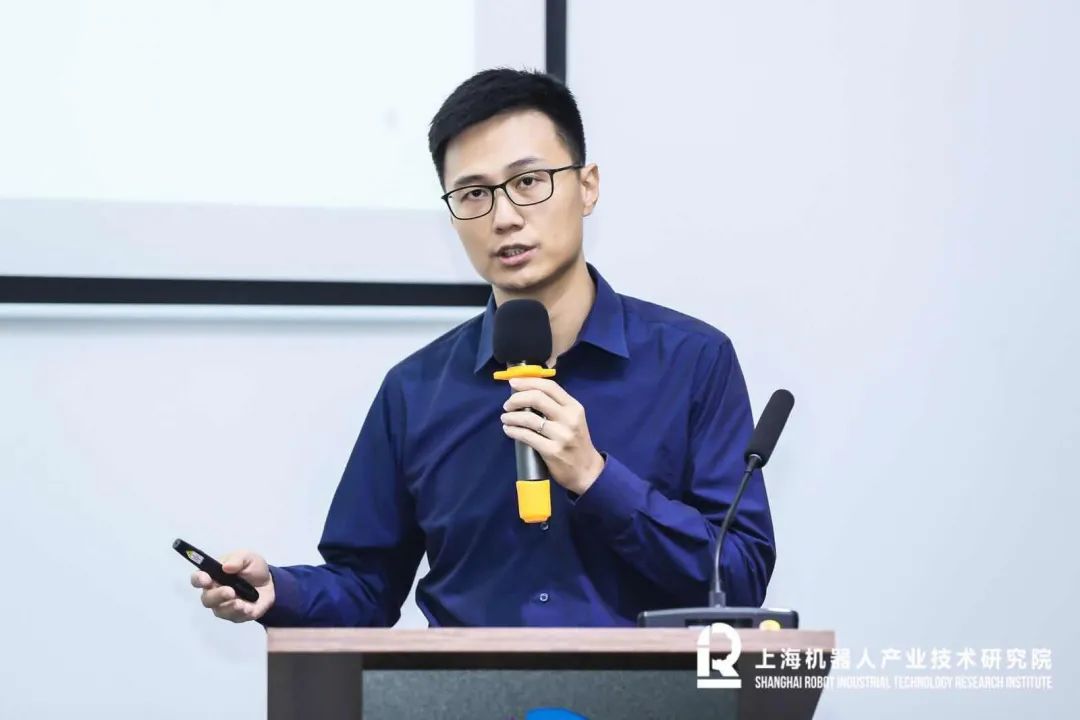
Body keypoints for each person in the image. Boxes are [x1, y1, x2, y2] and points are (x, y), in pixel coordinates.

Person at [190, 69, 776, 627]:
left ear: (587, 186)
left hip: (644, 687)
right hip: (467, 686)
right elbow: (366, 585)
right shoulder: (416, 391)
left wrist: (596, 478)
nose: (504, 217)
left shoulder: (693, 363)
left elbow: (740, 575)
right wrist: (280, 591)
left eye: (528, 182)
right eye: (473, 193)